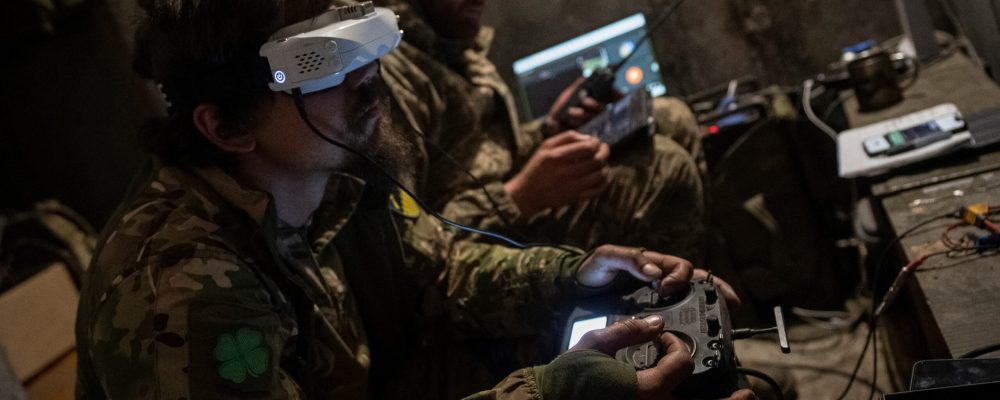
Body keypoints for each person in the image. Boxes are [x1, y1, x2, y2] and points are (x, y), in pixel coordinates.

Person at [74, 1, 754, 399]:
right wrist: (552, 393)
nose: (366, 76)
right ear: (226, 126)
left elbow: (441, 263)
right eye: (316, 63)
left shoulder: (337, 168)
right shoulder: (183, 291)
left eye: (360, 40)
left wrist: (574, 271)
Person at [377, 0, 709, 266]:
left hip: (508, 207)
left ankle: (704, 296)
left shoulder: (452, 40)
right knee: (667, 165)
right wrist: (520, 196)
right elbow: (411, 250)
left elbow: (485, 154)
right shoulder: (390, 76)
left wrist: (549, 130)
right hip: (481, 248)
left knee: (671, 116)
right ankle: (675, 319)